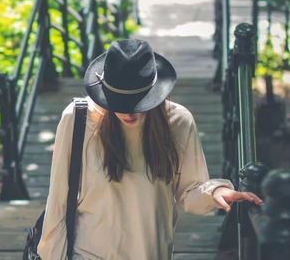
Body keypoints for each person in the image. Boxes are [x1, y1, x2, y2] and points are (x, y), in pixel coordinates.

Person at [36, 39, 263, 260]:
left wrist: (215, 193)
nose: (128, 112)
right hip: (89, 251)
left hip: (151, 251)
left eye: (138, 101)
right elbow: (58, 199)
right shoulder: (78, 119)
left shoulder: (178, 121)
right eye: (118, 102)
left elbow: (189, 191)